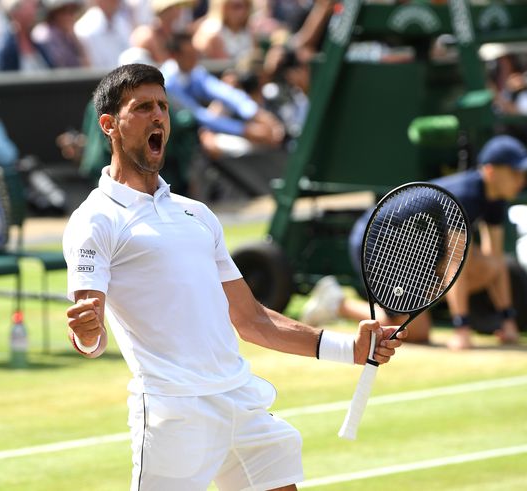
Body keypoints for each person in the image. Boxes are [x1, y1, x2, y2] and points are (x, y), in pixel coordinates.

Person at [63, 63, 405, 490]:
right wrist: (88, 334)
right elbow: (89, 334)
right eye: (144, 107)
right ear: (109, 125)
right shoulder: (94, 221)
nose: (158, 117)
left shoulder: (197, 215)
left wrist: (347, 349)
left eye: (164, 107)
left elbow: (251, 319)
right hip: (175, 412)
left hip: (240, 400)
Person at [302, 134, 527, 351]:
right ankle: (336, 302)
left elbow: (496, 261)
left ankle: (408, 309)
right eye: (514, 172)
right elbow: (455, 263)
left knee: (488, 267)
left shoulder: (495, 198)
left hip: (418, 252)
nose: (521, 180)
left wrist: (508, 321)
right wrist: (462, 329)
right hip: (377, 243)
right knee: (416, 332)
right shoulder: (466, 195)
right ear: (490, 171)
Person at [161, 30, 285, 160]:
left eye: (194, 53)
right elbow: (198, 115)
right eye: (188, 55)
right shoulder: (168, 83)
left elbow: (225, 93)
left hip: (203, 127)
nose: (194, 58)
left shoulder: (195, 71)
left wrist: (257, 114)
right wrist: (245, 130)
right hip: (180, 142)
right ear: (174, 56)